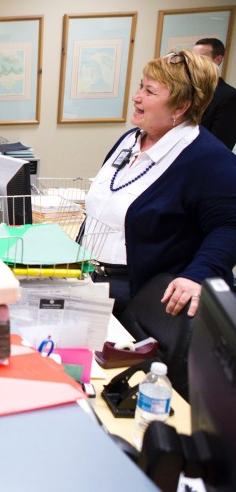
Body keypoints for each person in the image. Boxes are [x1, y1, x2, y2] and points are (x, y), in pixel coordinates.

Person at [85, 50, 236, 319]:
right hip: (92, 278)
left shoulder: (209, 159)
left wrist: (197, 275)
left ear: (180, 107)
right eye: (140, 86)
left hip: (140, 295)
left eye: (150, 91)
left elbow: (230, 227)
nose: (137, 96)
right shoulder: (131, 139)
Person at [192, 38, 236, 150]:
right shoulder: (187, 88)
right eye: (193, 57)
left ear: (217, 60)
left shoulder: (229, 96)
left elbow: (222, 144)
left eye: (200, 58)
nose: (194, 63)